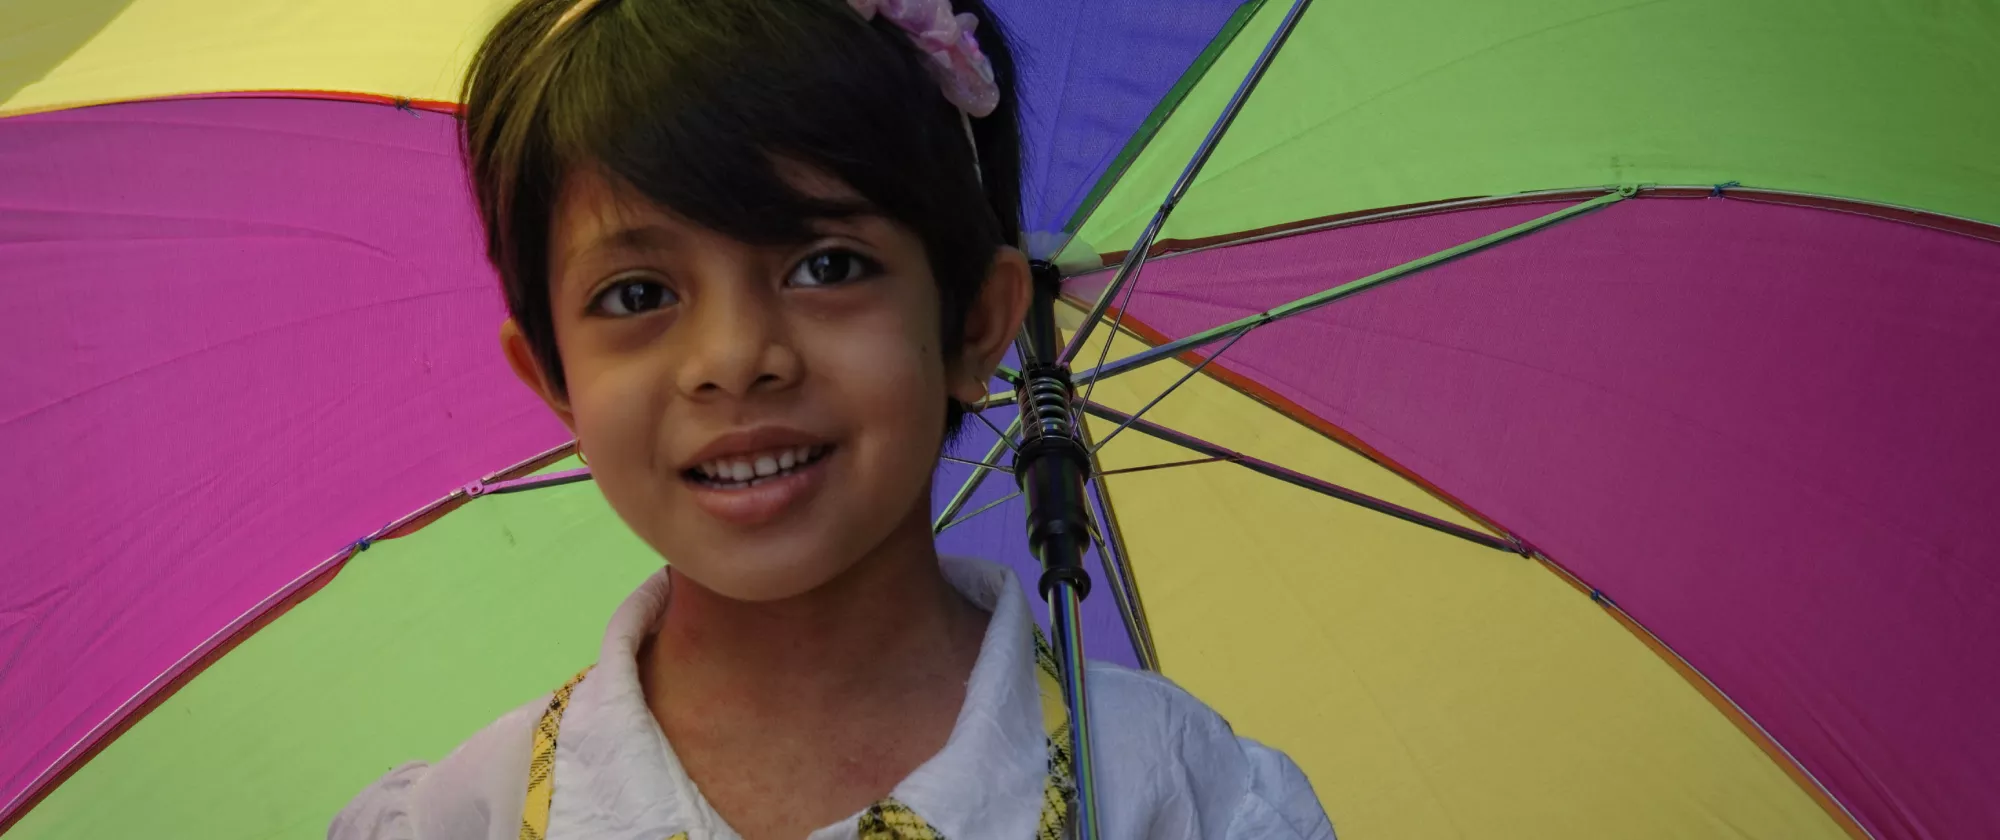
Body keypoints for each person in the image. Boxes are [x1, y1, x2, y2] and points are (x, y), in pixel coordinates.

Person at [330, 0, 1335, 837]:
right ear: (549, 371)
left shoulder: (1184, 802)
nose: (732, 360)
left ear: (976, 323)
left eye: (826, 267)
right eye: (637, 296)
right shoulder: (470, 818)